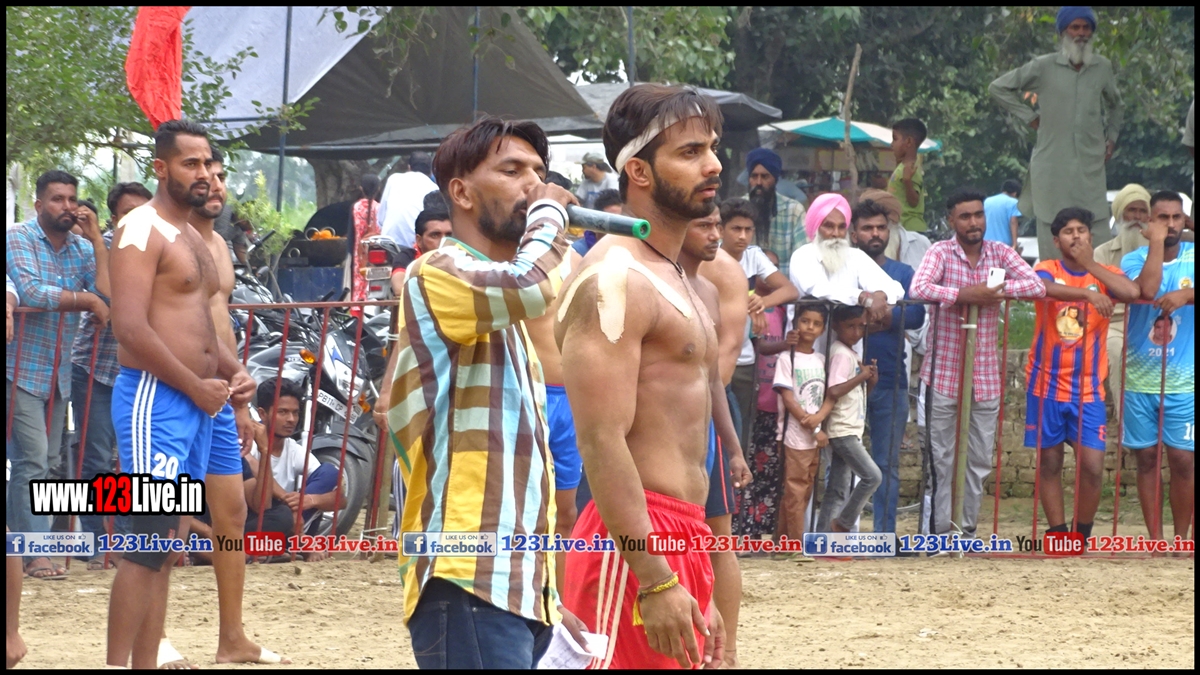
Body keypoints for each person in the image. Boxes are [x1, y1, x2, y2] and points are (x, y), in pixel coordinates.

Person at [385, 116, 588, 669]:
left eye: (539, 173)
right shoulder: (438, 271)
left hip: (513, 588)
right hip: (466, 579)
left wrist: (546, 599)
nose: (533, 184)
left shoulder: (508, 326)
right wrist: (550, 213)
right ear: (461, 192)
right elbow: (532, 284)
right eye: (513, 170)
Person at [556, 83, 726, 669]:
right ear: (639, 171)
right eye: (690, 152)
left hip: (679, 537)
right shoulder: (614, 278)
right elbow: (601, 440)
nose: (713, 164)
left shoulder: (675, 274)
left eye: (712, 147)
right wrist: (654, 577)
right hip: (633, 547)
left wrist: (692, 570)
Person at [104, 120, 230, 669]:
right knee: (148, 540)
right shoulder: (139, 227)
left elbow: (199, 321)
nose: (203, 174)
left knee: (167, 544)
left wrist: (232, 374)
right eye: (189, 164)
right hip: (155, 398)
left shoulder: (192, 235)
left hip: (195, 402)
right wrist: (195, 384)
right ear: (160, 168)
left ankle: (145, 663)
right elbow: (129, 329)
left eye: (207, 164)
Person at [183, 146, 285, 665]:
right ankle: (152, 638)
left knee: (232, 513)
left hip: (221, 392)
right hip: (173, 389)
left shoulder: (220, 245)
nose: (215, 183)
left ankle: (232, 637)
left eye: (221, 174)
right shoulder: (164, 238)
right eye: (205, 172)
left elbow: (220, 325)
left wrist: (240, 400)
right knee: (159, 514)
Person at [910, 188, 1046, 537]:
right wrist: (962, 295)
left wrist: (994, 294)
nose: (973, 222)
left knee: (979, 461)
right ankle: (936, 534)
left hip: (985, 377)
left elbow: (1036, 286)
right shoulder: (941, 252)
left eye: (978, 215)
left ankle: (965, 532)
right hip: (942, 375)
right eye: (965, 216)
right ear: (951, 220)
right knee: (940, 461)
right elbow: (919, 289)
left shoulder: (1000, 252)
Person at [7, 169, 108, 580]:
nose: (67, 207)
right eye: (57, 199)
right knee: (32, 459)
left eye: (72, 199)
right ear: (38, 204)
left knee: (48, 462)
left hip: (58, 372)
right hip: (19, 368)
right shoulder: (18, 237)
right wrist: (87, 301)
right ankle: (34, 553)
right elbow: (31, 291)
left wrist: (97, 240)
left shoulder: (81, 248)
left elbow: (106, 294)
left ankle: (27, 546)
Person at [1026, 207, 1140, 541]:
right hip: (1045, 384)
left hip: (1088, 389)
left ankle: (1081, 534)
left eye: (1081, 230)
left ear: (1091, 236)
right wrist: (1088, 294)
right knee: (1050, 463)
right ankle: (1058, 535)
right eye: (1068, 231)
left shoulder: (1105, 273)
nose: (1075, 236)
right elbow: (1040, 288)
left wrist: (1091, 267)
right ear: (1056, 240)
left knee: (1091, 466)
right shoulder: (1048, 267)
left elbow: (1132, 293)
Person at [989, 5, 1122, 257]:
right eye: (1075, 27)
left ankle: (1101, 283)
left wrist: (1111, 139)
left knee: (1098, 238)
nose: (1081, 33)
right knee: (1053, 233)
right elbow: (998, 87)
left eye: (1086, 28)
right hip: (1051, 168)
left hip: (1090, 167)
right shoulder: (1043, 66)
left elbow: (1116, 105)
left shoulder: (1102, 67)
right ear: (1063, 32)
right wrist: (1030, 117)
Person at [681, 207, 751, 669]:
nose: (715, 235)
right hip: (653, 426)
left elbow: (718, 368)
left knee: (717, 537)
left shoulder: (719, 276)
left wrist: (731, 446)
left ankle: (727, 653)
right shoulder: (637, 266)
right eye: (703, 225)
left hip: (704, 418)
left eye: (716, 225)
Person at [72, 182, 151, 569]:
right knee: (97, 460)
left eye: (143, 210)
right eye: (127, 213)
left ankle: (122, 541)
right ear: (114, 217)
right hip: (95, 368)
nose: (135, 219)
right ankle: (93, 543)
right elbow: (106, 294)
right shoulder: (97, 247)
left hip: (139, 374)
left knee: (131, 461)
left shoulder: (159, 246)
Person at [1121, 191, 1193, 541]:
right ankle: (1155, 541)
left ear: (1185, 221)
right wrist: (1155, 244)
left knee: (1183, 460)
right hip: (1139, 379)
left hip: (1185, 382)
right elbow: (1146, 289)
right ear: (1149, 222)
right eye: (1162, 218)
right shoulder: (1133, 259)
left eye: (1176, 217)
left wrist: (1187, 295)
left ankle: (1180, 539)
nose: (1170, 224)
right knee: (1147, 459)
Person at [853, 198, 925, 534]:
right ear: (854, 233)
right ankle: (842, 535)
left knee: (886, 462)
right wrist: (884, 316)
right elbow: (837, 312)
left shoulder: (902, 272)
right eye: (867, 228)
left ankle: (883, 535)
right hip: (845, 379)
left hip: (891, 378)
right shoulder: (846, 269)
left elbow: (916, 314)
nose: (875, 233)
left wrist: (871, 318)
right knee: (842, 461)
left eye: (881, 227)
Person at [718, 197, 799, 459]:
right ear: (721, 229)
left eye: (748, 229)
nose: (742, 236)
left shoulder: (753, 256)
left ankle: (735, 484)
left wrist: (762, 303)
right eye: (736, 229)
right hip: (714, 356)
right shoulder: (711, 257)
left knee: (740, 434)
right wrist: (747, 304)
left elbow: (789, 290)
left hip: (744, 359)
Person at [244, 378, 342, 553]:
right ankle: (294, 544)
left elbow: (341, 500)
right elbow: (254, 468)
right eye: (282, 412)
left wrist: (309, 500)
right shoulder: (247, 441)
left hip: (285, 519)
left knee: (329, 473)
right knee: (281, 515)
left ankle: (295, 543)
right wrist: (288, 502)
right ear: (262, 414)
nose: (291, 419)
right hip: (254, 516)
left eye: (295, 413)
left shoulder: (294, 449)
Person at [732, 254, 789, 541]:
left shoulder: (779, 310)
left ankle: (750, 528)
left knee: (756, 461)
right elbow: (760, 345)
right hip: (746, 382)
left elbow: (790, 290)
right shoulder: (745, 300)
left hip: (766, 395)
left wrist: (761, 304)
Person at [789, 193, 903, 336]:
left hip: (849, 347)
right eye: (829, 226)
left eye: (841, 227)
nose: (836, 233)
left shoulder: (855, 256)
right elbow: (818, 289)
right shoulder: (802, 255)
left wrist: (880, 294)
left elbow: (895, 288)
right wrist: (862, 297)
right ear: (816, 227)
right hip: (805, 344)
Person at [814, 306, 882, 534]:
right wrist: (861, 376)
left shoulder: (850, 354)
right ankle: (843, 523)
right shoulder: (841, 354)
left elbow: (855, 395)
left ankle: (822, 540)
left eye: (860, 327)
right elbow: (833, 390)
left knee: (837, 489)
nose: (856, 332)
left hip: (848, 427)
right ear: (836, 327)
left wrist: (869, 381)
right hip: (842, 430)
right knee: (872, 477)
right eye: (850, 326)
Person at [772, 304, 832, 553]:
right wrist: (813, 426)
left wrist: (816, 427)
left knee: (804, 490)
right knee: (795, 490)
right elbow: (788, 399)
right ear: (796, 323)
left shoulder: (821, 360)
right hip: (795, 435)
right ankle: (795, 546)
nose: (810, 327)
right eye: (805, 321)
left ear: (823, 329)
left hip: (813, 437)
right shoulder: (787, 358)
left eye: (816, 324)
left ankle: (783, 543)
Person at [745, 147, 807, 276]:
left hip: (785, 285)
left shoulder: (794, 211)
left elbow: (804, 260)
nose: (758, 182)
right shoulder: (737, 209)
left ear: (775, 179)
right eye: (754, 176)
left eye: (765, 176)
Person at [378, 151, 438, 247]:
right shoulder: (434, 188)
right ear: (431, 171)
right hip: (415, 245)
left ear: (409, 167)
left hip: (388, 242)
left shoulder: (393, 179)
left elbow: (380, 219)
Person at [888, 118, 929, 233]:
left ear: (909, 142)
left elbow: (914, 202)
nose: (892, 144)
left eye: (895, 139)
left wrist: (907, 181)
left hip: (910, 229)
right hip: (902, 227)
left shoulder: (911, 168)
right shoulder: (902, 166)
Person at [569, 188, 623, 269]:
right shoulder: (577, 253)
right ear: (595, 222)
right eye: (610, 222)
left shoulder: (629, 250)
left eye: (621, 221)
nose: (616, 227)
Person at [351, 172, 383, 306]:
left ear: (361, 188)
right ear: (378, 189)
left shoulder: (356, 207)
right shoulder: (379, 208)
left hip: (359, 252)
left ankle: (357, 309)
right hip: (376, 251)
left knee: (359, 282)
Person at [984, 179, 1023, 248]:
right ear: (1015, 193)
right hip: (1004, 245)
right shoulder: (1013, 202)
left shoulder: (987, 201)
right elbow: (1013, 222)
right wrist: (1014, 244)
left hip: (986, 243)